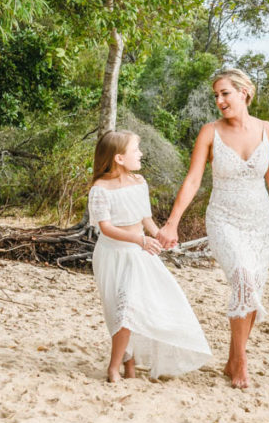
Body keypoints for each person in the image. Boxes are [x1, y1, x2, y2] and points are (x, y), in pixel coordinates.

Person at [157, 68, 269, 388]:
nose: (219, 100)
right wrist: (172, 223)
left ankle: (233, 359)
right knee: (244, 280)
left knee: (252, 290)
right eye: (216, 95)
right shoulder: (210, 132)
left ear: (244, 92)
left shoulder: (267, 130)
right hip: (224, 220)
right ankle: (241, 362)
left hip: (260, 223)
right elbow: (193, 179)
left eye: (225, 93)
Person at [88, 130, 213, 383]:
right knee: (119, 312)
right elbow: (106, 228)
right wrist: (140, 240)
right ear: (119, 158)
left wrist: (159, 235)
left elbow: (145, 218)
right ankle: (123, 366)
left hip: (139, 254)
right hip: (113, 254)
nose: (141, 154)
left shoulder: (139, 182)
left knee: (131, 308)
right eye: (136, 150)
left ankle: (122, 367)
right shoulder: (100, 189)